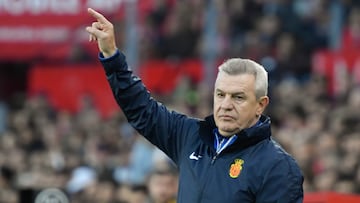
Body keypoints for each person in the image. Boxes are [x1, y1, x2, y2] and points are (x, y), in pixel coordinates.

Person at [85, 8, 304, 203]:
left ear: (260, 105)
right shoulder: (191, 136)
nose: (226, 105)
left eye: (238, 97)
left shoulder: (278, 167)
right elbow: (142, 109)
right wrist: (112, 56)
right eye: (220, 95)